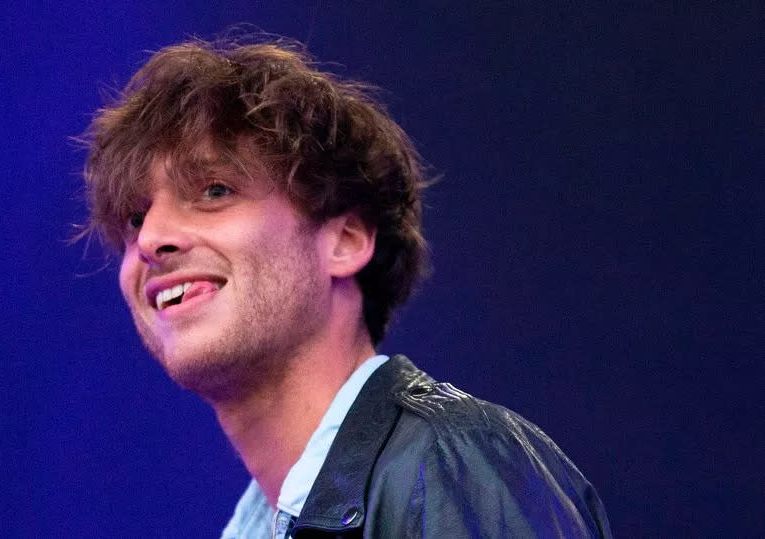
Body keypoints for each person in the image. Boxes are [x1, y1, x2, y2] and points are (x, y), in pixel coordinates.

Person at [79, 35, 613, 538]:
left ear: (346, 240)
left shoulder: (451, 462)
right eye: (133, 218)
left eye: (215, 190)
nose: (151, 238)